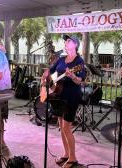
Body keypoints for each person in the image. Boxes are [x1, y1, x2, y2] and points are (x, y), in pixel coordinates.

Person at [41, 34, 86, 168]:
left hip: (71, 96)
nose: (66, 43)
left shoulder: (79, 62)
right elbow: (51, 70)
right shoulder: (61, 59)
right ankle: (66, 154)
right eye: (65, 41)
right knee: (61, 127)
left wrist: (72, 75)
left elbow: (80, 80)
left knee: (67, 127)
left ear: (76, 45)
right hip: (58, 95)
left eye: (69, 41)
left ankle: (73, 158)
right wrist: (46, 75)